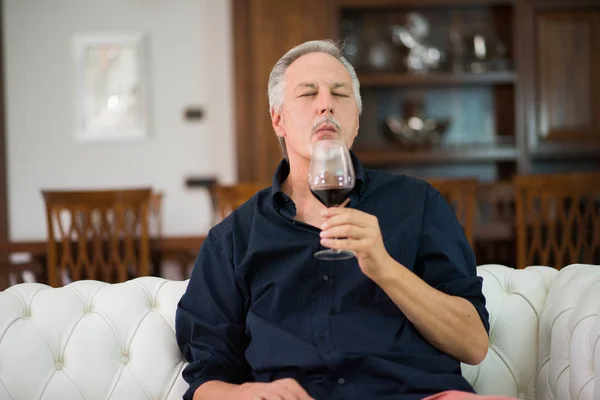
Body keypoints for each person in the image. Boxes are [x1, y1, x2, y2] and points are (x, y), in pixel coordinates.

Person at [175, 39, 499, 400]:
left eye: (340, 94)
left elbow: (473, 345)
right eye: (309, 93)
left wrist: (385, 269)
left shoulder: (418, 203)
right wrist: (248, 394)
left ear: (356, 122)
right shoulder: (233, 238)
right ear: (278, 119)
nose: (326, 104)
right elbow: (206, 379)